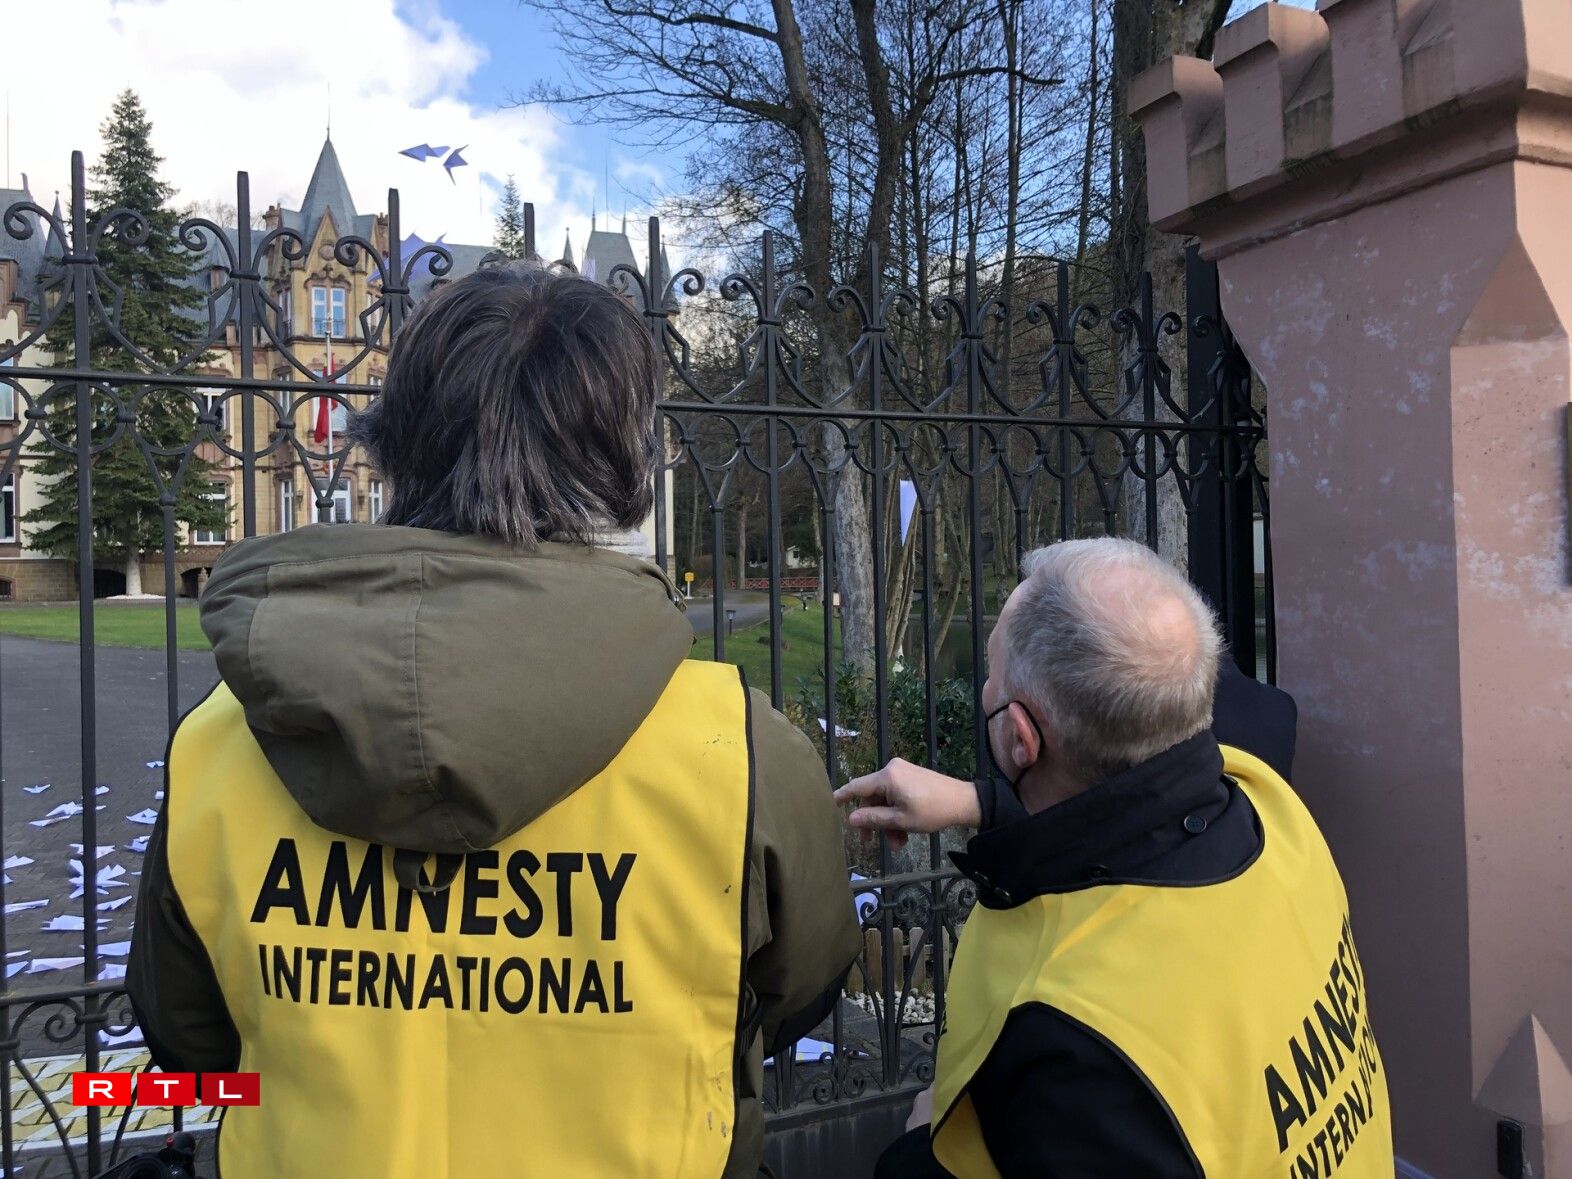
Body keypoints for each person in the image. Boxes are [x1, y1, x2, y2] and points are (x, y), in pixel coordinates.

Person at [128, 263, 861, 1178]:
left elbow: (189, 1036)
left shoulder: (218, 744)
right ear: (626, 466)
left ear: (395, 445)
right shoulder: (740, 751)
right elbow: (800, 992)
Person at [837, 538, 1392, 1178]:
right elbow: (1135, 811)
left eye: (991, 676)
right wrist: (980, 802)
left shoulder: (1077, 1036)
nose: (986, 686)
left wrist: (915, 1149)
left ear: (1019, 738)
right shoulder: (1271, 805)